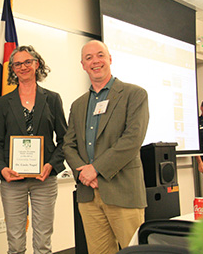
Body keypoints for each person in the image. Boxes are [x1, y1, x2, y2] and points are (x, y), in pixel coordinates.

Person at [63, 40, 149, 254]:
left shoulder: (134, 94)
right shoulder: (78, 104)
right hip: (88, 194)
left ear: (110, 59)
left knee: (135, 251)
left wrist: (96, 169)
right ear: (82, 65)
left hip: (123, 191)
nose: (95, 61)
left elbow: (132, 139)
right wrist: (84, 173)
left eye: (100, 55)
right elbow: (68, 144)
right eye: (89, 58)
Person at [0, 45, 67, 254]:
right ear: (12, 69)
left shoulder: (52, 99)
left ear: (37, 64)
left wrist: (52, 165)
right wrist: (3, 168)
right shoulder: (3, 103)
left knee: (43, 241)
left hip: (45, 179)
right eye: (18, 64)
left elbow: (64, 139)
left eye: (27, 62)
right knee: (15, 242)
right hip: (12, 179)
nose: (23, 67)